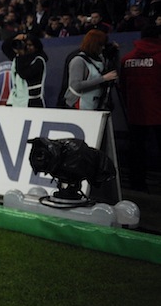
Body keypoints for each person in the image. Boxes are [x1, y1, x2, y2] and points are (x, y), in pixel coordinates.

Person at [119, 24, 161, 191]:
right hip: (158, 112)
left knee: (136, 150)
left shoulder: (126, 59)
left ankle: (137, 184)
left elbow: (123, 87)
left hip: (136, 112)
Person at [59, 29, 118, 110]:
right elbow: (75, 85)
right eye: (101, 45)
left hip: (94, 103)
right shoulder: (78, 61)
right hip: (79, 105)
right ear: (94, 45)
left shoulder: (100, 59)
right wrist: (103, 79)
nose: (103, 48)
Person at [1, 32, 47, 107]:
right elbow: (5, 46)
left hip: (32, 102)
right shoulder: (19, 58)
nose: (27, 47)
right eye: (26, 45)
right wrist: (16, 37)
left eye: (30, 45)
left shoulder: (39, 60)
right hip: (16, 100)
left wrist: (21, 55)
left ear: (36, 47)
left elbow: (24, 74)